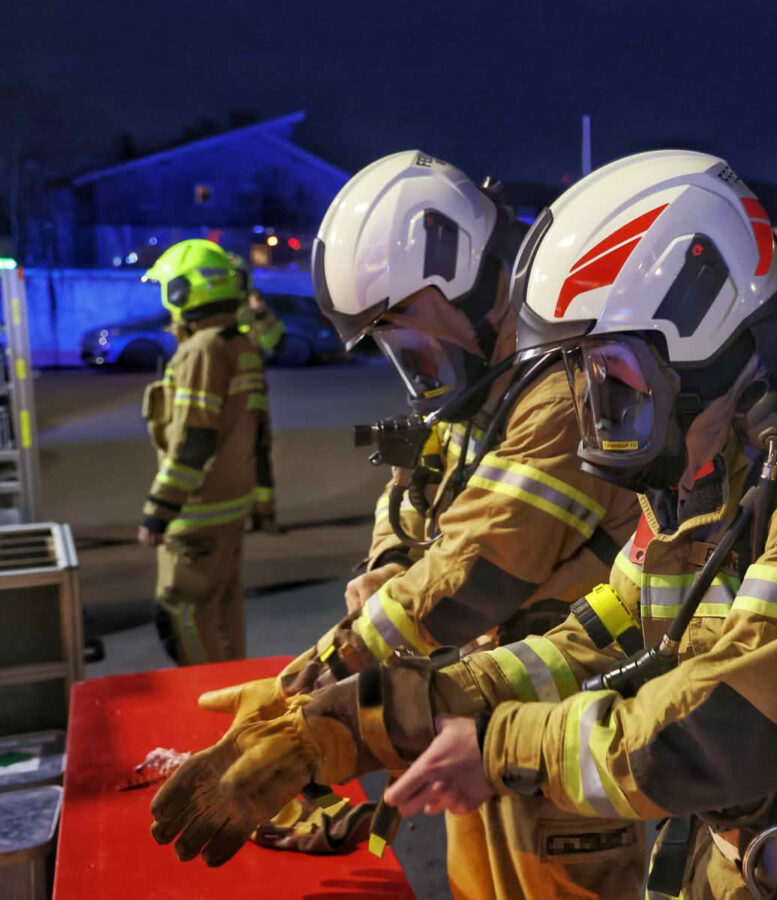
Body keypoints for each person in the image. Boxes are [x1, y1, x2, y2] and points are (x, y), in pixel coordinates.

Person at [149, 149, 777, 899]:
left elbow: (725, 727)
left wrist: (495, 745)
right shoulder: (709, 479)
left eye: (611, 376)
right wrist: (370, 716)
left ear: (703, 331)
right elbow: (594, 640)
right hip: (740, 861)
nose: (598, 414)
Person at [185, 151, 647, 898]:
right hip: (471, 697)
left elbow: (472, 572)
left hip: (562, 725)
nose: (400, 352)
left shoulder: (562, 389)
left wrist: (300, 692)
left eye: (397, 322)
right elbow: (408, 498)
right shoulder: (475, 386)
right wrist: (391, 562)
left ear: (459, 276)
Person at [139, 239, 269, 664]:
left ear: (182, 292)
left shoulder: (201, 351)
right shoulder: (240, 344)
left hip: (196, 515)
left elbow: (195, 438)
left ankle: (204, 708)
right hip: (230, 508)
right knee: (224, 612)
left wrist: (158, 511)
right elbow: (257, 431)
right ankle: (235, 702)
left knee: (182, 613)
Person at [227, 252, 283, 533]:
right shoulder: (222, 312)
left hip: (255, 398)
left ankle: (266, 514)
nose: (235, 282)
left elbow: (273, 341)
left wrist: (260, 312)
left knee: (260, 457)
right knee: (234, 460)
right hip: (226, 399)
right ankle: (243, 515)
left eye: (239, 276)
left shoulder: (254, 306)